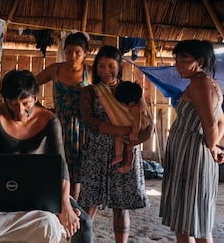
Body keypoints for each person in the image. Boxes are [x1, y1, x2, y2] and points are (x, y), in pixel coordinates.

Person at [0, 69, 92, 241]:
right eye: (13, 104)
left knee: (84, 223)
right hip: (3, 187)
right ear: (4, 100)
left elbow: (60, 164)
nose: (20, 111)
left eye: (26, 104)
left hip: (40, 187)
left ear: (36, 99)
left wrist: (65, 204)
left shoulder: (49, 120)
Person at [78, 45, 153, 242]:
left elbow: (148, 123)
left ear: (119, 66)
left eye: (110, 66)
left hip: (126, 150)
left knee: (121, 205)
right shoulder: (91, 92)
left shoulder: (130, 91)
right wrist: (122, 131)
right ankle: (83, 239)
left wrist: (133, 140)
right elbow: (90, 121)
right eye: (101, 66)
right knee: (89, 202)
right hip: (96, 152)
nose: (105, 71)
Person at [159, 40, 224, 242]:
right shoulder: (208, 83)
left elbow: (212, 125)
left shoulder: (201, 84)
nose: (178, 64)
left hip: (191, 157)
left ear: (200, 61)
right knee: (190, 218)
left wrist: (212, 146)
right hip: (191, 154)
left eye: (184, 60)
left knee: (192, 220)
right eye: (176, 59)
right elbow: (221, 120)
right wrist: (213, 147)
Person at [35, 32, 90, 200]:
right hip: (57, 126)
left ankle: (72, 210)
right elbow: (30, 85)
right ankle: (55, 209)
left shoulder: (91, 73)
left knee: (76, 176)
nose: (72, 56)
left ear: (85, 54)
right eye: (68, 52)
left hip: (82, 130)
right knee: (57, 169)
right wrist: (41, 110)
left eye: (77, 53)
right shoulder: (55, 69)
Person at [104, 80, 150, 173]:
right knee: (118, 137)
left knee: (130, 146)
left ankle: (129, 163)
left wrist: (134, 133)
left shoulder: (135, 108)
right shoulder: (132, 104)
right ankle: (119, 156)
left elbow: (137, 121)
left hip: (140, 125)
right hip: (133, 124)